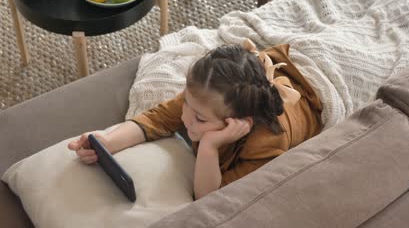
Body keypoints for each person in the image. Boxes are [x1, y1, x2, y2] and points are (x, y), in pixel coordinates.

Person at [68, 39, 323, 200]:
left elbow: (211, 198)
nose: (184, 117)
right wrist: (108, 141)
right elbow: (157, 119)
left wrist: (210, 147)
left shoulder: (267, 143)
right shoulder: (204, 98)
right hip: (274, 70)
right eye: (186, 103)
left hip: (316, 84)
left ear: (240, 123)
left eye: (199, 119)